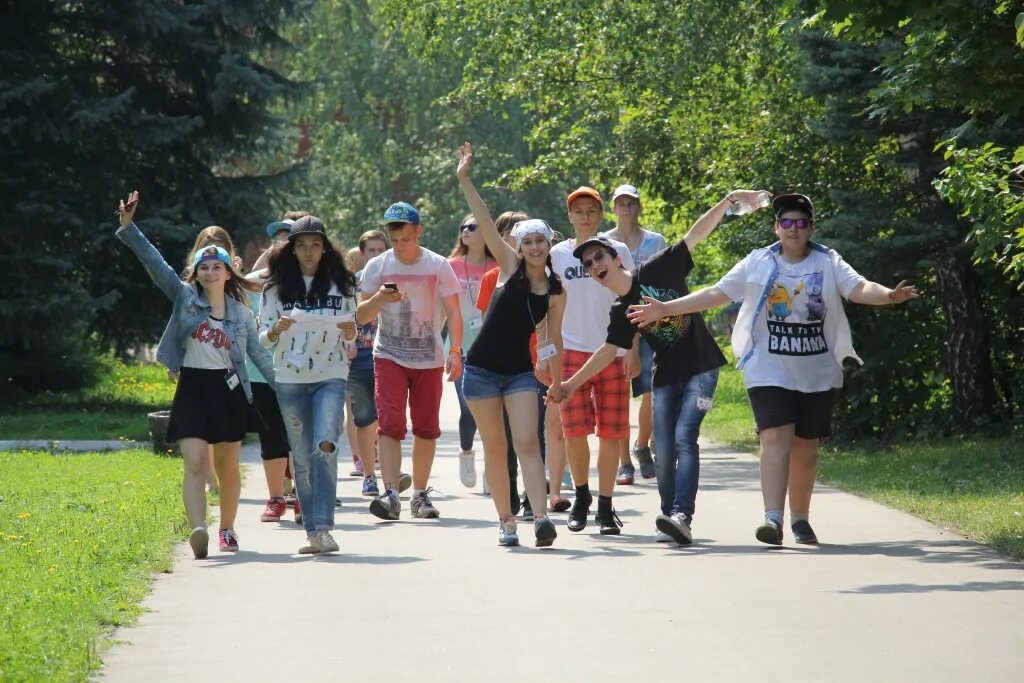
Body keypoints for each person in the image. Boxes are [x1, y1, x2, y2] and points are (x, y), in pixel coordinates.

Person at [627, 193, 919, 545]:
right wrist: (666, 308)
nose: (793, 229)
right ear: (775, 227)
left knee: (806, 448)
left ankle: (800, 518)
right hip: (768, 368)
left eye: (801, 223)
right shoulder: (758, 261)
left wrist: (887, 295)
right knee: (775, 437)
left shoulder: (828, 261)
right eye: (786, 222)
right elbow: (717, 293)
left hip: (817, 370)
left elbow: (858, 289)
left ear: (811, 227)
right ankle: (772, 519)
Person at [558, 192, 770, 544]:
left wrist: (728, 200)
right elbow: (608, 350)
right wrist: (570, 384)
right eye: (589, 264)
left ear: (615, 257)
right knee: (664, 446)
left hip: (701, 366)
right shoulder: (620, 312)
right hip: (666, 374)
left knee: (685, 435)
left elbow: (696, 234)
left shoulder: (658, 267)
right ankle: (670, 514)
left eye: (600, 256)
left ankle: (681, 514)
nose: (596, 265)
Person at [115, 190, 275, 558]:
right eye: (204, 266)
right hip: (192, 386)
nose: (210, 271)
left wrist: (286, 392)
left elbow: (260, 358)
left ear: (227, 271)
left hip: (228, 391)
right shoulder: (185, 299)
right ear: (197, 272)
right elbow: (156, 265)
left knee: (228, 468)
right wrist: (129, 227)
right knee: (195, 463)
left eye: (217, 266)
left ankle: (228, 530)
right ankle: (198, 529)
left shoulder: (241, 315)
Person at [456, 142, 565, 546]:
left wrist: (555, 382)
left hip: (520, 373)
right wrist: (465, 179)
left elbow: (551, 339)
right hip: (481, 372)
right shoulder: (508, 266)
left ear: (549, 244)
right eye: (529, 242)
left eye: (541, 241)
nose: (535, 247)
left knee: (527, 443)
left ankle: (540, 518)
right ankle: (506, 521)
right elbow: (484, 221)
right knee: (496, 447)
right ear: (518, 247)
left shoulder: (555, 289)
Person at [357, 202, 463, 520]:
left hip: (429, 358)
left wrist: (455, 351)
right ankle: (390, 494)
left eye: (405, 235)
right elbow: (360, 315)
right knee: (389, 424)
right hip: (388, 354)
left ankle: (419, 494)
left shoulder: (438, 265)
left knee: (426, 428)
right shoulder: (377, 266)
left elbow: (455, 313)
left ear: (418, 231)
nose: (399, 243)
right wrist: (378, 299)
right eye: (394, 236)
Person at [259, 215, 359, 554]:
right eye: (302, 245)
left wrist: (350, 332)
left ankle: (325, 527)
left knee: (326, 446)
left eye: (315, 245)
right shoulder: (275, 287)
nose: (309, 252)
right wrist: (276, 331)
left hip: (331, 374)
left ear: (325, 247)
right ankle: (313, 533)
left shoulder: (342, 283)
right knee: (301, 457)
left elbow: (353, 326)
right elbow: (264, 338)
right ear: (292, 249)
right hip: (290, 378)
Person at [547, 186, 637, 535]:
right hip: (570, 352)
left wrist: (632, 349)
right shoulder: (557, 254)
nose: (585, 216)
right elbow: (546, 307)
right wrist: (545, 354)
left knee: (612, 434)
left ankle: (605, 504)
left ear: (601, 216)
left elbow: (634, 299)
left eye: (591, 210)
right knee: (574, 432)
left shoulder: (618, 251)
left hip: (613, 350)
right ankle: (582, 496)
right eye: (578, 211)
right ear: (569, 216)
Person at [602, 184, 666, 484]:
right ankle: (624, 461)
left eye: (631, 203)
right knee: (617, 395)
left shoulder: (655, 241)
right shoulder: (603, 243)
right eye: (621, 203)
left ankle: (642, 446)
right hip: (616, 323)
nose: (626, 208)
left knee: (652, 391)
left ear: (639, 206)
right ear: (613, 208)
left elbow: (664, 281)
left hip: (651, 323)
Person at [350, 229, 412, 497]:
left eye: (380, 250)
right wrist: (348, 340)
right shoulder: (350, 284)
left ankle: (391, 472)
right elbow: (345, 315)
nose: (376, 254)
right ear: (362, 254)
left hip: (392, 353)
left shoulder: (397, 280)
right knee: (364, 419)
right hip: (361, 354)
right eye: (371, 250)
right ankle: (368, 474)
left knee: (390, 419)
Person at [246, 217, 296, 524]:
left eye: (291, 241)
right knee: (271, 437)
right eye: (279, 240)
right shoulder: (251, 282)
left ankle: (302, 496)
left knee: (299, 436)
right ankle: (276, 498)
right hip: (260, 372)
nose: (284, 245)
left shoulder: (307, 283)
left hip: (299, 371)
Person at [448, 214, 497, 488]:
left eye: (473, 226)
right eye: (463, 227)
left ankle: (493, 469)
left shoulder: (496, 265)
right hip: (460, 346)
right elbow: (443, 309)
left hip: (491, 346)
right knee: (470, 410)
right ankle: (466, 452)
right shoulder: (451, 266)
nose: (466, 230)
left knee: (492, 413)